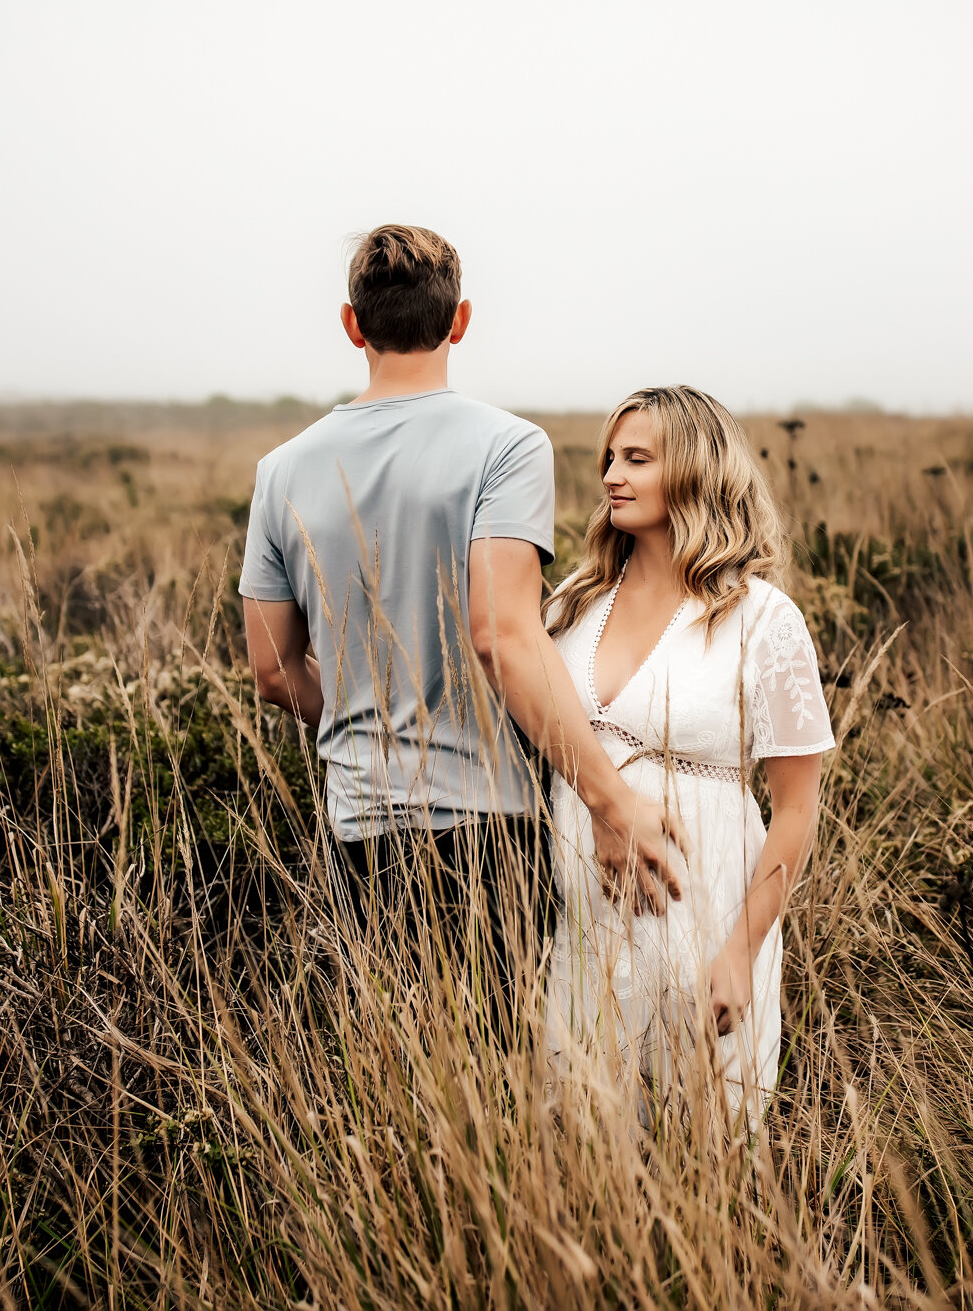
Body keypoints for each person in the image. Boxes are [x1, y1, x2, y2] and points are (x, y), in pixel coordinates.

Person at [240, 225, 685, 1022]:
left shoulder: (280, 471)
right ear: (461, 319)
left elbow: (273, 671)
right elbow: (502, 634)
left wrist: (359, 728)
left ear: (352, 324)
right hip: (488, 830)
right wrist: (610, 804)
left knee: (381, 1080)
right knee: (490, 1087)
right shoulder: (508, 447)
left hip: (356, 828)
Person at [542, 385, 833, 1127]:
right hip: (584, 939)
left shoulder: (761, 617)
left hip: (704, 933)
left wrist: (741, 950)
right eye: (610, 456)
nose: (611, 474)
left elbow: (798, 809)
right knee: (582, 1159)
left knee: (710, 1161)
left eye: (637, 458)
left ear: (697, 473)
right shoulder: (573, 604)